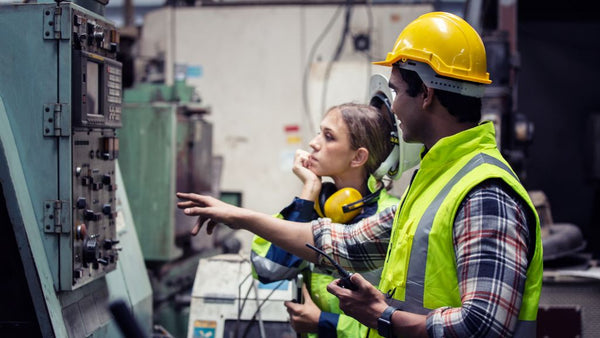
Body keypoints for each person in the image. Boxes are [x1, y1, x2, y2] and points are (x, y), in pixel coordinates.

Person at [177, 11, 543, 338]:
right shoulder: (435, 180)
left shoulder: (483, 191)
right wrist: (236, 216)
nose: (393, 106)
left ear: (427, 94)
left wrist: (382, 315)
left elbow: (484, 326)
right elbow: (344, 242)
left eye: (397, 91)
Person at [251, 103, 400, 337]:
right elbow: (268, 270)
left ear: (358, 157)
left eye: (328, 137)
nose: (313, 142)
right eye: (320, 132)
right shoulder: (315, 207)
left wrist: (324, 322)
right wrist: (309, 190)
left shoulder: (391, 216)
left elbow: (396, 319)